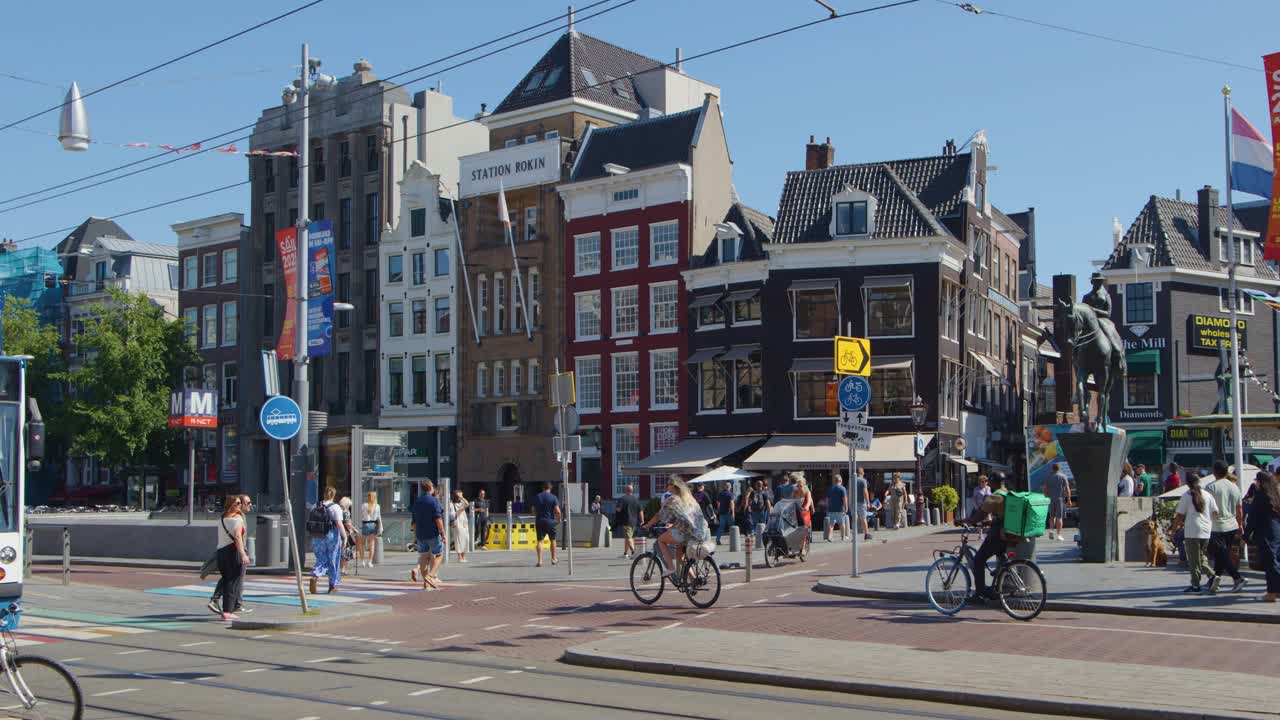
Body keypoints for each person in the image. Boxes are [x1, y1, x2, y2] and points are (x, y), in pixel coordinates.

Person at [641, 477, 712, 579]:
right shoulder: (689, 497)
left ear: (673, 486)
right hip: (699, 531)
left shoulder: (672, 499)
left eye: (668, 484)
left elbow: (659, 515)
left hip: (685, 532)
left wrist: (647, 525)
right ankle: (694, 580)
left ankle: (670, 567)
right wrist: (673, 525)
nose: (667, 486)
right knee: (680, 556)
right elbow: (686, 516)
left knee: (661, 540)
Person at [966, 472, 1013, 602]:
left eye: (990, 482)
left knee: (978, 560)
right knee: (1001, 559)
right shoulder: (1008, 493)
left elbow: (981, 514)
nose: (989, 485)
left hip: (998, 534)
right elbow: (1003, 515)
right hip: (1007, 532)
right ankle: (995, 590)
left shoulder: (996, 496)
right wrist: (990, 522)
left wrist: (966, 520)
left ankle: (980, 592)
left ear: (995, 483)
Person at [1205, 461, 1246, 594]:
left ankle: (1237, 577)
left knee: (1222, 554)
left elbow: (1207, 508)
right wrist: (1240, 524)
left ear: (1214, 472)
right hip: (1232, 524)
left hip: (1217, 526)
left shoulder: (1211, 487)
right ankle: (1214, 581)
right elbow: (1239, 508)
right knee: (1222, 554)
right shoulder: (1235, 487)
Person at [1174, 472, 1218, 593]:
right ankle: (1211, 576)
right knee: (1201, 557)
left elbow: (1179, 516)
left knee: (1193, 560)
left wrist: (1173, 530)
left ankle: (1197, 584)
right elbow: (1215, 513)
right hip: (1206, 530)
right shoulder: (1208, 495)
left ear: (1187, 483)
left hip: (1192, 531)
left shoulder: (1186, 495)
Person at [209, 494, 253, 615]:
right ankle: (229, 609)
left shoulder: (222, 517)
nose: (250, 505)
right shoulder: (238, 518)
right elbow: (238, 537)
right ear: (233, 505)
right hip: (234, 551)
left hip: (222, 551)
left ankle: (229, 605)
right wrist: (243, 554)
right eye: (246, 503)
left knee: (229, 579)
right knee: (233, 581)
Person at [1243, 471, 1280, 602]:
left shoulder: (1260, 496)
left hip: (1264, 531)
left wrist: (1246, 535)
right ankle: (1276, 591)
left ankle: (1271, 593)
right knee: (1276, 561)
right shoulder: (1275, 494)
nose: (1256, 483)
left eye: (1257, 481)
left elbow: (1253, 517)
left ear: (1261, 482)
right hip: (1276, 531)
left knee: (1270, 563)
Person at [309, 487, 346, 595]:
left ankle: (315, 575)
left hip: (317, 535)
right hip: (331, 535)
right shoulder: (335, 507)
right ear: (333, 495)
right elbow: (339, 523)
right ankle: (332, 585)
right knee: (333, 559)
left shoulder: (315, 505)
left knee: (321, 558)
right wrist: (345, 537)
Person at [410, 479, 445, 589]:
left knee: (423, 558)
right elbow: (438, 518)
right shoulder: (434, 501)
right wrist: (443, 533)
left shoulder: (417, 502)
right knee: (439, 555)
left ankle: (426, 584)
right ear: (431, 487)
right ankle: (431, 575)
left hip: (421, 534)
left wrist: (415, 536)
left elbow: (414, 521)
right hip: (433, 533)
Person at [533, 483, 561, 568]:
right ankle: (553, 559)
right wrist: (559, 519)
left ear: (543, 488)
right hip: (550, 522)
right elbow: (558, 511)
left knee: (539, 541)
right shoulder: (553, 497)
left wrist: (536, 515)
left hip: (540, 521)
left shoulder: (537, 496)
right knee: (552, 539)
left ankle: (540, 561)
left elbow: (533, 509)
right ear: (550, 488)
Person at [1044, 463, 1071, 541]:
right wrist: (1069, 499)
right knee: (1059, 517)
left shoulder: (1048, 477)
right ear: (1059, 469)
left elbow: (1045, 488)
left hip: (1051, 499)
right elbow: (1067, 488)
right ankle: (1058, 535)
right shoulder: (1063, 476)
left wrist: (1046, 496)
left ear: (1052, 468)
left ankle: (1051, 531)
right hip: (1060, 499)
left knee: (1052, 516)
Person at [616, 484, 643, 558]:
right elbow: (640, 511)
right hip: (634, 521)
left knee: (628, 537)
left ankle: (634, 553)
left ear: (626, 490)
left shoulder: (622, 499)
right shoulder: (636, 499)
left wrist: (618, 508)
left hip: (626, 521)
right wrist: (642, 520)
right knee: (628, 537)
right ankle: (625, 554)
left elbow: (618, 509)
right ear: (632, 490)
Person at [357, 491, 382, 569]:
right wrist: (380, 526)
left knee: (362, 543)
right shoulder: (377, 506)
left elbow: (360, 514)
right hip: (374, 524)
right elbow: (379, 517)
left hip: (365, 524)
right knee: (372, 544)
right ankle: (370, 562)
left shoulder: (364, 505)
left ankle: (362, 561)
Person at [449, 490, 471, 563]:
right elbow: (453, 515)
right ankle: (459, 557)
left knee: (466, 539)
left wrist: (462, 497)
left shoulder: (462, 502)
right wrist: (461, 510)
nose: (460, 497)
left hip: (464, 522)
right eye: (459, 496)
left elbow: (467, 504)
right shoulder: (451, 504)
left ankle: (464, 556)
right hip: (457, 523)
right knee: (458, 540)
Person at [825, 475, 849, 541]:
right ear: (840, 481)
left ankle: (829, 537)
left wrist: (828, 507)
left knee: (831, 524)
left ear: (834, 481)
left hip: (831, 509)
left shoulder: (830, 488)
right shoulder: (842, 488)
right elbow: (845, 499)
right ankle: (843, 537)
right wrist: (846, 507)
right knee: (841, 523)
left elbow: (827, 499)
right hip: (840, 509)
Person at [794, 475, 814, 552]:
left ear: (804, 485)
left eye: (801, 486)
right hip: (796, 512)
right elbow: (790, 501)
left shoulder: (807, 492)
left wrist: (807, 506)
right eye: (798, 486)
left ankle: (803, 548)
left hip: (804, 512)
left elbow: (809, 501)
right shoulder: (795, 492)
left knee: (803, 527)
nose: (799, 487)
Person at [338, 497, 356, 575]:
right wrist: (354, 529)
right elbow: (347, 523)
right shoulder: (346, 512)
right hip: (346, 533)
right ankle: (343, 569)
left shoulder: (338, 510)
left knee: (339, 551)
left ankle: (338, 568)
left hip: (338, 532)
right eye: (349, 505)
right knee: (346, 551)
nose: (349, 507)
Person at [853, 469, 871, 541]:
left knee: (854, 519)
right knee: (863, 518)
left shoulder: (851, 480)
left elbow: (849, 491)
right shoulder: (863, 480)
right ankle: (866, 534)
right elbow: (865, 492)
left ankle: (854, 536)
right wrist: (868, 502)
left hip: (853, 502)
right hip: (861, 502)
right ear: (862, 472)